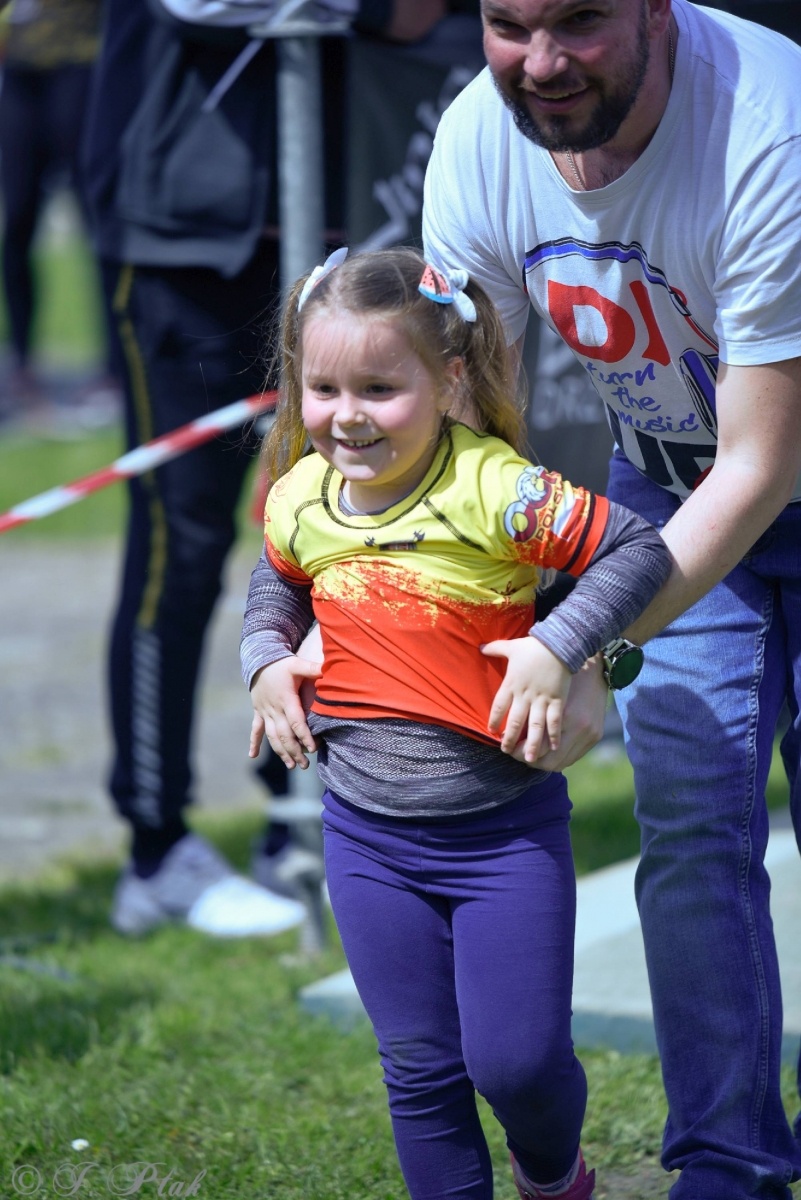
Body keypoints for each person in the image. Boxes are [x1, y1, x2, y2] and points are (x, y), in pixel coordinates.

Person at [421, 3, 801, 1198]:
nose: (542, 63)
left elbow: (762, 463)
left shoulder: (769, 126)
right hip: (665, 486)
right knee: (691, 827)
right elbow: (470, 437)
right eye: (509, 24)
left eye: (579, 20)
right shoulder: (477, 139)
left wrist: (582, 639)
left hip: (762, 465)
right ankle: (727, 1167)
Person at [240, 246, 672, 1200]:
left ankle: (552, 1173)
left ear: (447, 380)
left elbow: (635, 549)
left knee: (517, 1066)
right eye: (323, 388)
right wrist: (266, 659)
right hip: (365, 839)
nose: (346, 415)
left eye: (379, 388)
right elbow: (277, 580)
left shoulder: (496, 489)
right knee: (420, 1071)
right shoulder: (300, 493)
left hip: (502, 837)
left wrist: (560, 646)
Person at [81, 0, 454, 937]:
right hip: (183, 239)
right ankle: (157, 848)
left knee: (340, 528)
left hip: (332, 221)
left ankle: (301, 816)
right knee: (181, 544)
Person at [0, 0, 104, 414]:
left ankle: (110, 370)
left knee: (94, 226)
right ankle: (21, 364)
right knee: (18, 223)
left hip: (80, 64)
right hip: (20, 68)